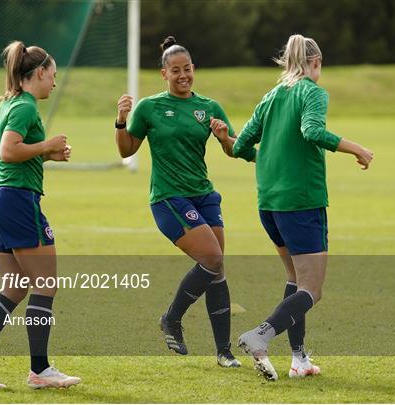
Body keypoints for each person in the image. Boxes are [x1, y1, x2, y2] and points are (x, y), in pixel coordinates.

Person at [210, 34, 374, 380]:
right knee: (312, 290)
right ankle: (261, 335)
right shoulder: (312, 92)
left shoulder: (270, 97)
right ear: (316, 62)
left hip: (269, 205)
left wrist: (232, 141)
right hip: (301, 203)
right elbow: (312, 131)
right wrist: (355, 147)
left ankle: (299, 359)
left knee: (294, 279)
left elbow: (240, 148)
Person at [115, 36, 254, 367]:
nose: (183, 75)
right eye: (175, 70)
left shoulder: (209, 107)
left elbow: (236, 149)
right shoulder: (149, 107)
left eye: (187, 69)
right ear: (163, 73)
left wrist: (224, 137)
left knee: (217, 268)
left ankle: (223, 352)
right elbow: (126, 150)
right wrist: (121, 119)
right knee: (212, 256)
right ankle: (171, 318)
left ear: (194, 69)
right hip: (168, 197)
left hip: (204, 195)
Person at [0, 41, 80, 389]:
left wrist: (46, 156)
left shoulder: (12, 102)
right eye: (52, 76)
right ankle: (40, 370)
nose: (54, 84)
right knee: (46, 283)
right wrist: (47, 145)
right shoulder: (25, 106)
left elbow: (13, 155)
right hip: (17, 201)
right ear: (38, 73)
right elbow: (8, 151)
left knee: (14, 287)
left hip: (1, 198)